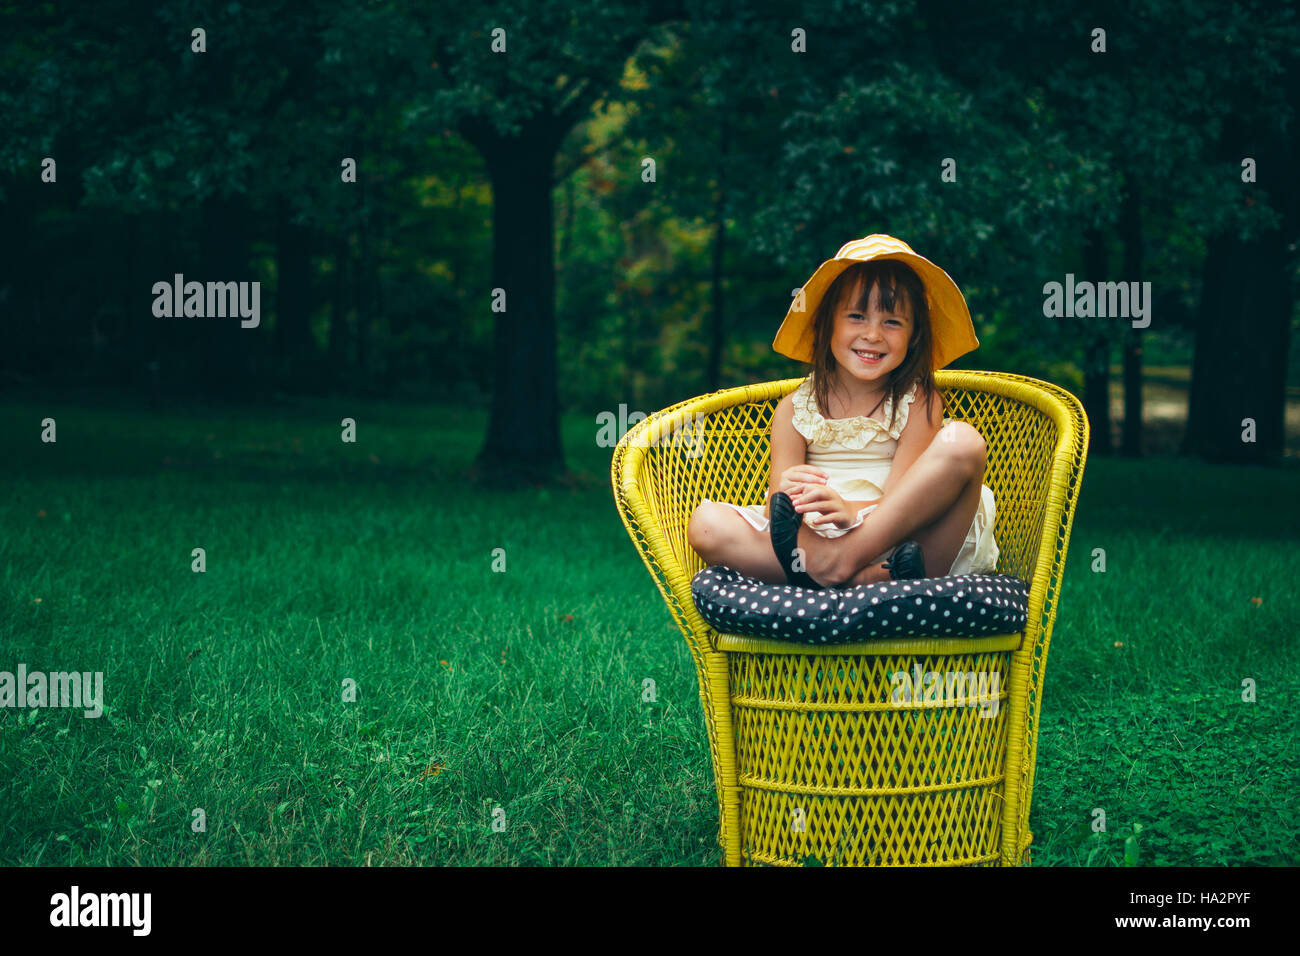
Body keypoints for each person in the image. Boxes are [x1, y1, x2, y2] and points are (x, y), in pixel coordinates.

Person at [686, 234, 999, 590]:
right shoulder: (793, 410)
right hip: (814, 542)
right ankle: (851, 574)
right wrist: (792, 495)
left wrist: (852, 511)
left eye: (892, 322)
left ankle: (839, 566)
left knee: (965, 442)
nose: (873, 334)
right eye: (856, 316)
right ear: (825, 325)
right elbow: (780, 510)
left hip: (899, 539)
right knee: (706, 522)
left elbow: (906, 505)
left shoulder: (917, 401)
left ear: (914, 337)